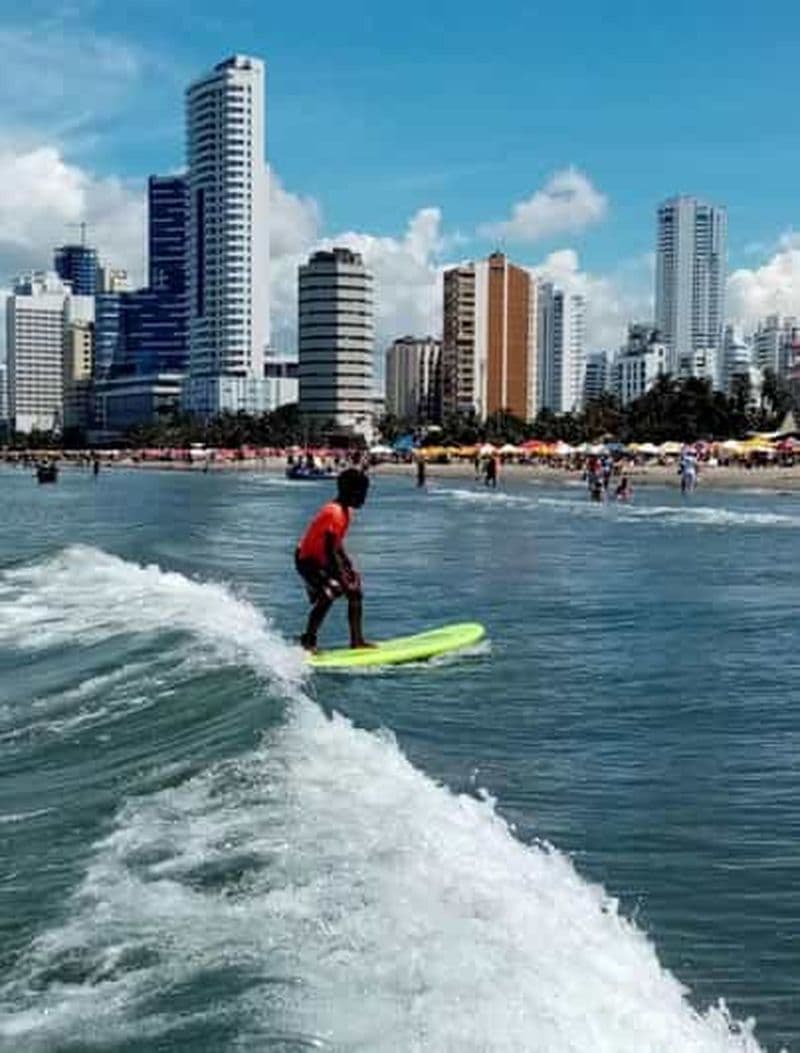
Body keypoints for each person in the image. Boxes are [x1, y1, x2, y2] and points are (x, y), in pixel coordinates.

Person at [295, 468, 372, 652]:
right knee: (330, 592)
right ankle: (308, 641)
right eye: (361, 493)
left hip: (322, 559)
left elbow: (337, 545)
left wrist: (349, 568)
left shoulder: (345, 512)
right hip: (307, 560)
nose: (364, 498)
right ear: (349, 492)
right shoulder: (334, 512)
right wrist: (343, 581)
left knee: (355, 592)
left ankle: (357, 641)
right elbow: (330, 552)